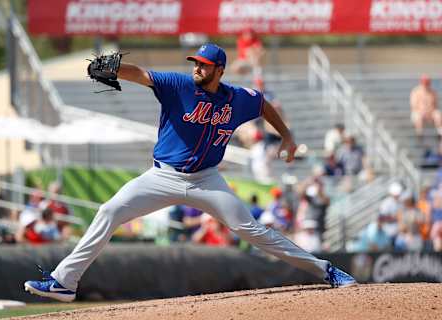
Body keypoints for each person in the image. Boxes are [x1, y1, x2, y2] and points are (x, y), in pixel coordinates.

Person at [24, 43, 356, 302]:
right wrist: (116, 69)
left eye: (204, 65)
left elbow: (262, 103)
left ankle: (326, 270)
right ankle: (64, 282)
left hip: (206, 180)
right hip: (162, 176)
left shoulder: (237, 99)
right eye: (195, 63)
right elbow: (141, 74)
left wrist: (287, 136)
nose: (197, 68)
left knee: (252, 230)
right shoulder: (177, 85)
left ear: (219, 70)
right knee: (109, 211)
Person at [410, 74, 442, 139]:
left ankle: (440, 133)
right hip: (419, 112)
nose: (426, 84)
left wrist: (429, 112)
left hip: (430, 113)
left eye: (427, 82)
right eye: (425, 82)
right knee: (417, 116)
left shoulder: (433, 92)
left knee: (437, 114)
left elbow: (435, 105)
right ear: (421, 82)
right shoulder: (416, 91)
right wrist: (422, 111)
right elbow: (413, 106)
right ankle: (419, 134)